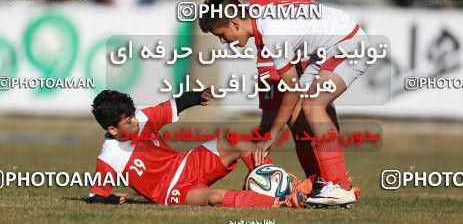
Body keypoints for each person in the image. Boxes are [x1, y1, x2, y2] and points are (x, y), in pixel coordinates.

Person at [200, 0, 367, 206]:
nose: (223, 41)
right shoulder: (264, 22)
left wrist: (271, 135)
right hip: (327, 49)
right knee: (301, 110)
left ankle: (339, 186)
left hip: (348, 44)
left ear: (234, 23)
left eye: (221, 35)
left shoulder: (271, 34)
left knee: (312, 106)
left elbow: (292, 87)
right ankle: (327, 184)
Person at [227, 0, 341, 188]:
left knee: (318, 112)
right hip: (272, 49)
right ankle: (259, 178)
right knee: (274, 120)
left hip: (306, 47)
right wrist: (231, 27)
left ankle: (326, 180)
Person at [87, 89, 310, 208]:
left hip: (186, 163)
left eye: (134, 115)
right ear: (113, 129)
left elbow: (176, 104)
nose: (136, 121)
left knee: (237, 143)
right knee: (214, 197)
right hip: (171, 191)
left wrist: (197, 96)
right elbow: (96, 195)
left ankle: (285, 187)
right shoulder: (109, 156)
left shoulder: (143, 119)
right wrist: (111, 198)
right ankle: (280, 201)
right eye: (129, 121)